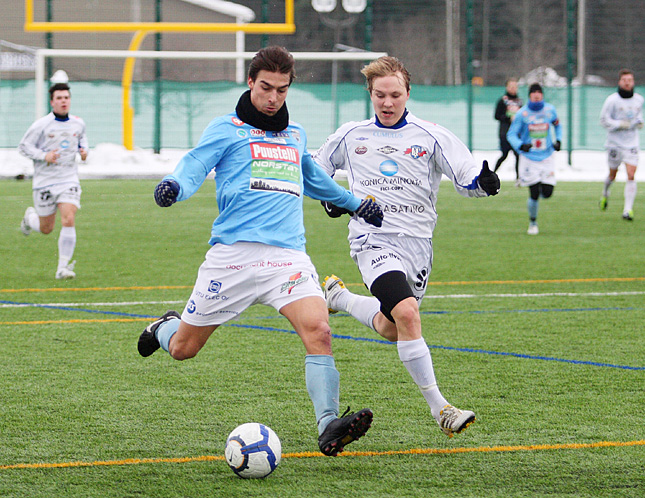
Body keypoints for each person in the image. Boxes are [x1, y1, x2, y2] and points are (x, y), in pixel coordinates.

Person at [136, 46, 384, 457]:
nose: (273, 98)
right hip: (232, 257)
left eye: (282, 90)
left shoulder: (294, 134)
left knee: (319, 330)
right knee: (183, 349)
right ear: (250, 82)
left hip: (286, 256)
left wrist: (356, 203)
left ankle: (329, 425)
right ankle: (163, 327)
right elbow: (195, 165)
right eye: (265, 88)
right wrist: (174, 186)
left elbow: (314, 179)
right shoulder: (226, 128)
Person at [313, 56, 500, 438]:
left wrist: (485, 182)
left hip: (418, 246)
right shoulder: (352, 135)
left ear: (407, 93)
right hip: (372, 241)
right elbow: (315, 170)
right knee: (408, 314)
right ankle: (442, 409)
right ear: (370, 94)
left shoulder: (430, 136)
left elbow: (467, 178)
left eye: (395, 94)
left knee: (393, 326)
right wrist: (330, 199)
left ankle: (341, 298)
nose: (387, 102)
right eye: (379, 95)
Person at [18, 82, 89, 279]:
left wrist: (84, 152)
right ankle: (29, 219)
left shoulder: (78, 123)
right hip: (45, 181)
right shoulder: (41, 125)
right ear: (52, 102)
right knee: (46, 228)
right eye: (59, 98)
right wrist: (44, 156)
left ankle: (62, 268)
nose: (63, 101)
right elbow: (24, 146)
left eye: (66, 97)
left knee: (69, 218)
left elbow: (83, 142)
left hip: (68, 179)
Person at [507, 83, 562, 235]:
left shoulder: (550, 110)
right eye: (534, 92)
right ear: (530, 95)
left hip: (547, 156)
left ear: (542, 95)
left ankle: (540, 190)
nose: (537, 95)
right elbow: (511, 134)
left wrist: (558, 140)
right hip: (529, 158)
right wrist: (520, 145)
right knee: (534, 193)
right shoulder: (522, 114)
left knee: (548, 192)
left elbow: (558, 126)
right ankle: (532, 222)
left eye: (539, 92)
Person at [599, 69, 644, 220]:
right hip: (614, 143)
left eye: (630, 80)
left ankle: (627, 210)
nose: (627, 82)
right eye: (624, 80)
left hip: (631, 143)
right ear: (619, 82)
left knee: (631, 174)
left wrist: (639, 122)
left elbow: (638, 117)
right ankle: (605, 192)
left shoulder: (639, 100)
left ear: (633, 82)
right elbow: (603, 120)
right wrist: (620, 124)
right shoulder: (612, 100)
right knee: (613, 175)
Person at [493, 78, 523, 182]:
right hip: (505, 133)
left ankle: (518, 178)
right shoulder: (502, 101)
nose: (513, 89)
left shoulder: (519, 102)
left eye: (515, 86)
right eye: (511, 86)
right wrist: (507, 118)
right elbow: (496, 116)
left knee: (518, 154)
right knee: (504, 155)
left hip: (516, 133)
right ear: (507, 87)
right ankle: (492, 173)